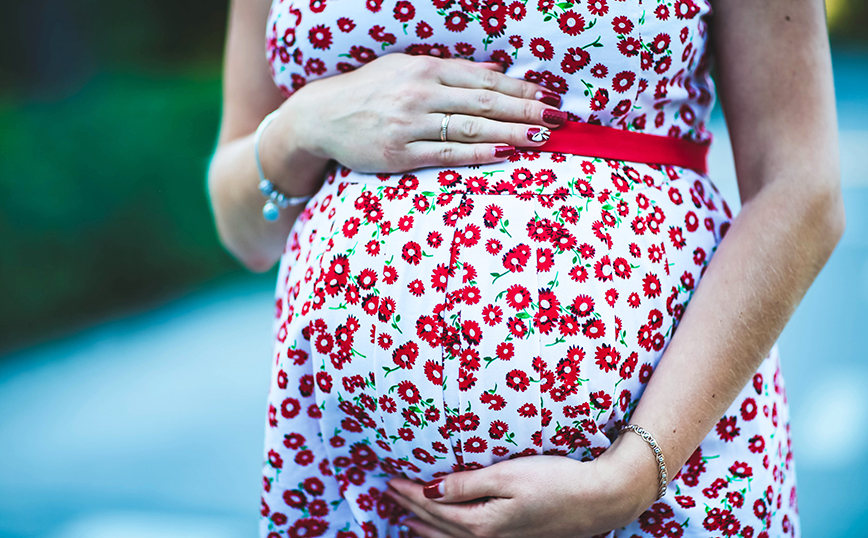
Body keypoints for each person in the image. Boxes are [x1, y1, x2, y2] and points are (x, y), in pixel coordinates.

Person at [206, 0, 844, 536]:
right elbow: (245, 233)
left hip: (667, 464)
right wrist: (298, 126)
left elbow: (802, 188)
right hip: (358, 484)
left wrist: (628, 477)